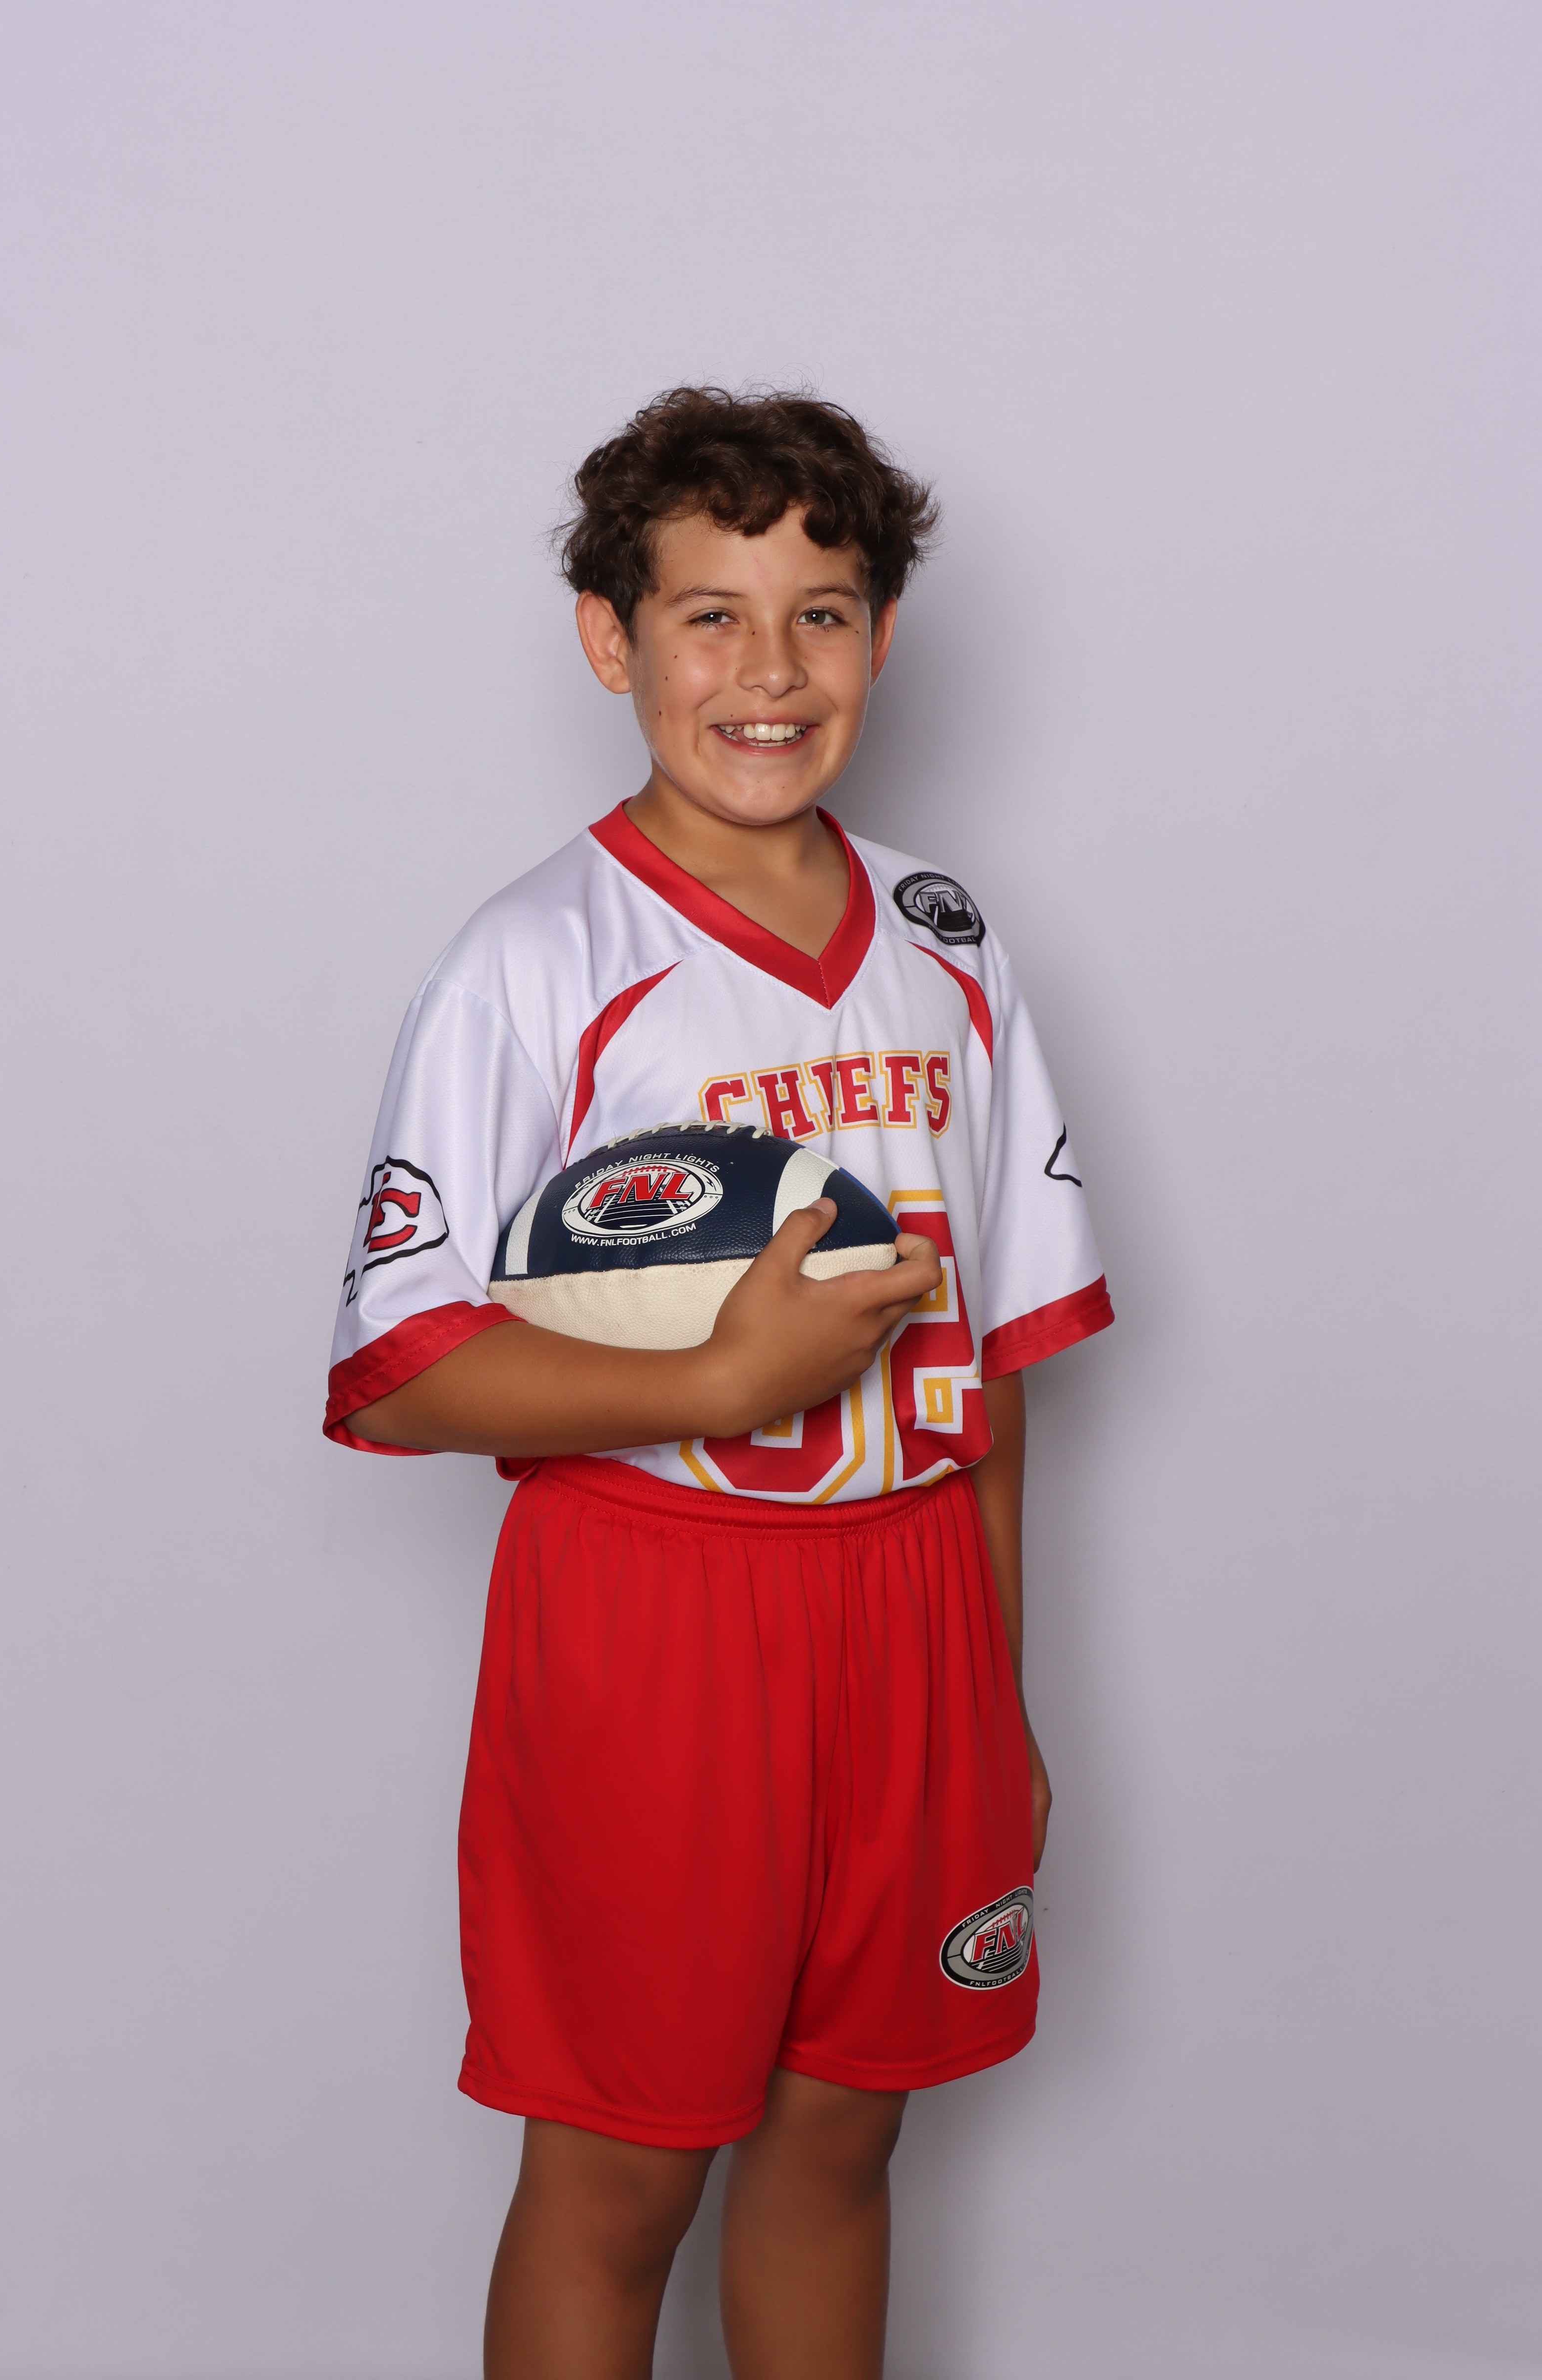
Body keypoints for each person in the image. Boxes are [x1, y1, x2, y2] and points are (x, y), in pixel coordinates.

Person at [324, 386, 1113, 2380]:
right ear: (611, 640)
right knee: (621, 2175)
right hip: (653, 1617)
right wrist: (724, 1371)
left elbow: (994, 1360)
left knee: (843, 2139)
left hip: (913, 1606)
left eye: (819, 614)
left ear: (881, 637)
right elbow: (399, 1371)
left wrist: (999, 1684)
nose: (769, 670)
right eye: (709, 616)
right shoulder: (533, 957)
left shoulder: (944, 936)